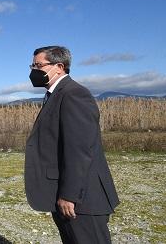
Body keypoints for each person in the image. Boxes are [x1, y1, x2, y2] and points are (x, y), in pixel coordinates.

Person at [25, 46, 119, 243]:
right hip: (67, 196)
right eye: (32, 65)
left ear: (59, 67)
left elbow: (80, 150)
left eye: (38, 65)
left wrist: (69, 195)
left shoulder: (73, 94)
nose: (33, 70)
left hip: (82, 201)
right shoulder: (55, 93)